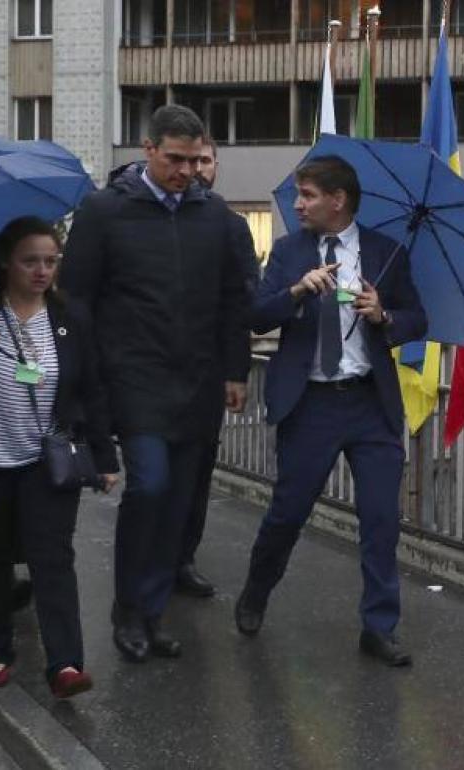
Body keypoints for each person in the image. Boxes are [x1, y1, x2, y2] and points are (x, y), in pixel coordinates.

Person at [60, 105, 251, 663]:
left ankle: (152, 609)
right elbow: (77, 299)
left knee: (179, 501)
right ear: (147, 150)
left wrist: (236, 370)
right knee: (150, 486)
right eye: (174, 159)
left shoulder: (217, 218)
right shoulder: (103, 212)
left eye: (195, 160)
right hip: (133, 378)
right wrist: (84, 375)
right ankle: (127, 608)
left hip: (197, 382)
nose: (186, 170)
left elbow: (233, 301)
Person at [234, 156, 426, 667]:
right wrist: (297, 291)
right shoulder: (288, 251)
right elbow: (254, 315)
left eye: (309, 195)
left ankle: (379, 627)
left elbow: (416, 319)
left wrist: (384, 315)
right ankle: (256, 591)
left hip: (370, 403)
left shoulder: (386, 254)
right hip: (311, 403)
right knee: (288, 513)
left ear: (337, 200)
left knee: (381, 518)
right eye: (298, 194)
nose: (298, 204)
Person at [0, 216, 119, 697]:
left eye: (51, 261)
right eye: (30, 261)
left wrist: (105, 456)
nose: (41, 271)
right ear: (6, 263)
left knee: (52, 557)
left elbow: (92, 390)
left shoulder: (71, 317)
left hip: (46, 459)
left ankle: (66, 665)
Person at [172, 136, 260, 598]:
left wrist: (237, 371)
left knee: (198, 467)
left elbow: (242, 304)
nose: (198, 169)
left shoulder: (229, 225)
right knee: (153, 474)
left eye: (206, 161)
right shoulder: (148, 216)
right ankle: (151, 556)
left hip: (207, 371)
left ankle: (183, 556)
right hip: (154, 370)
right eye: (190, 160)